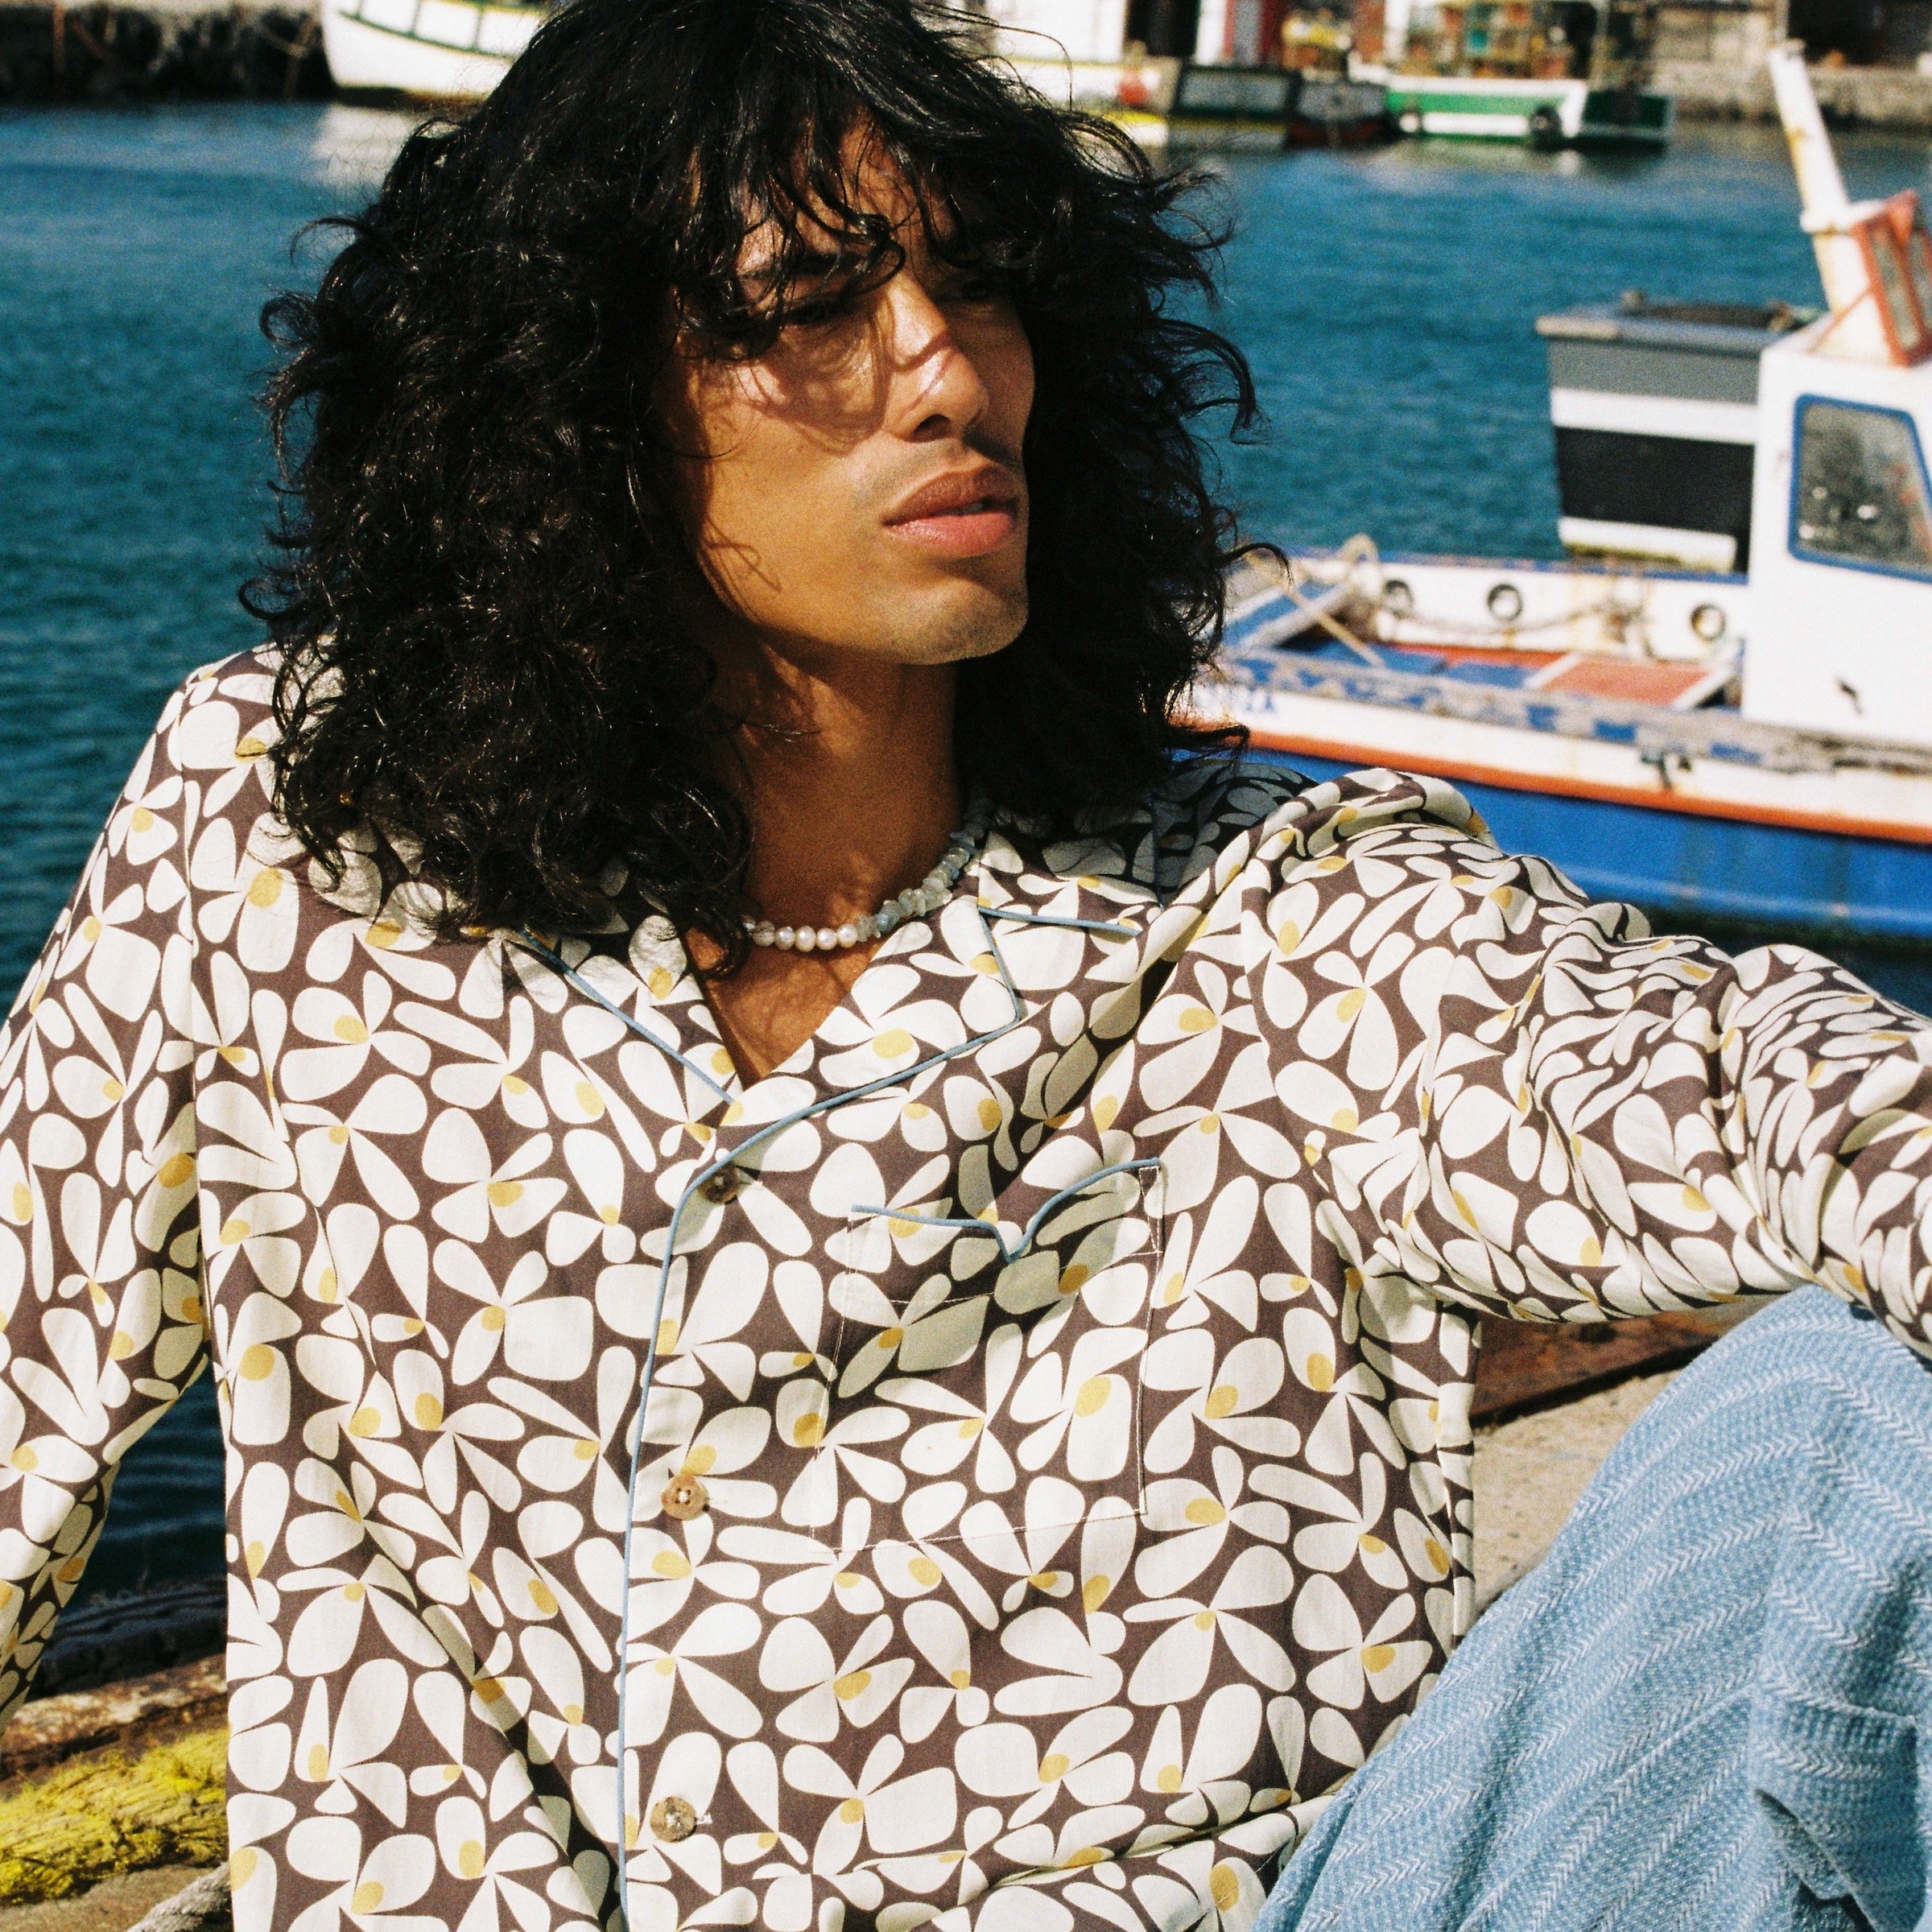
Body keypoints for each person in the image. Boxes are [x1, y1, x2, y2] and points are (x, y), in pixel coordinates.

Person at [0, 4, 1927, 1931]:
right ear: (571, 399)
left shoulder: (1261, 923)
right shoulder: (291, 839)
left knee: (1839, 1437)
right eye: (811, 305)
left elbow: (1747, 1083)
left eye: (984, 288)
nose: (946, 370)